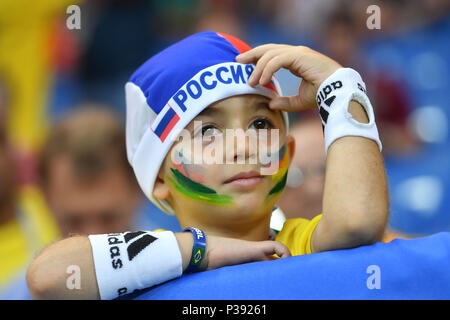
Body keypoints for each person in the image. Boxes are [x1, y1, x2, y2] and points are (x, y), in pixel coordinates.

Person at [26, 31, 388, 299]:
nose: (242, 147)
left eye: (260, 124)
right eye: (208, 131)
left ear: (287, 154)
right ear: (159, 180)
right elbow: (49, 277)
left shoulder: (301, 244)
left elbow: (357, 221)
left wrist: (339, 88)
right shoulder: (145, 268)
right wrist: (200, 250)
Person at [38, 106, 181, 237]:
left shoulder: (186, 261)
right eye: (73, 222)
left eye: (109, 218)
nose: (91, 237)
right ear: (44, 196)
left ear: (141, 188)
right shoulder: (22, 264)